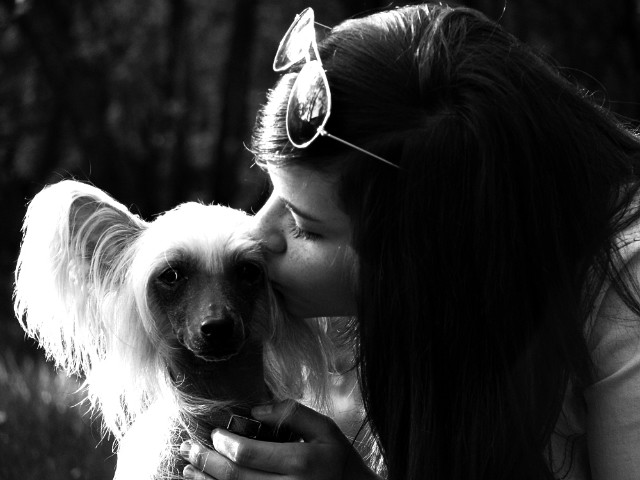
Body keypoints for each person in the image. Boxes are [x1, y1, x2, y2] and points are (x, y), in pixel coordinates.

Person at [178, 3, 640, 479]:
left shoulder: (629, 291)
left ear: (419, 256)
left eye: (305, 227)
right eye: (271, 191)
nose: (258, 233)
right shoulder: (462, 297)